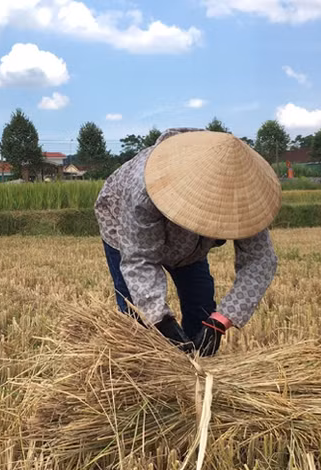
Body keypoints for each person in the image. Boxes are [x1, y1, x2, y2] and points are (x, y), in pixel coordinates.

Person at [94, 128, 281, 357]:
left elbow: (260, 260)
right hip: (122, 223)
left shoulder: (247, 196)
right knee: (136, 314)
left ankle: (197, 371)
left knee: (200, 303)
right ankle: (142, 373)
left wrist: (220, 322)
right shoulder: (143, 190)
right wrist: (161, 320)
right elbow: (139, 260)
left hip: (191, 247)